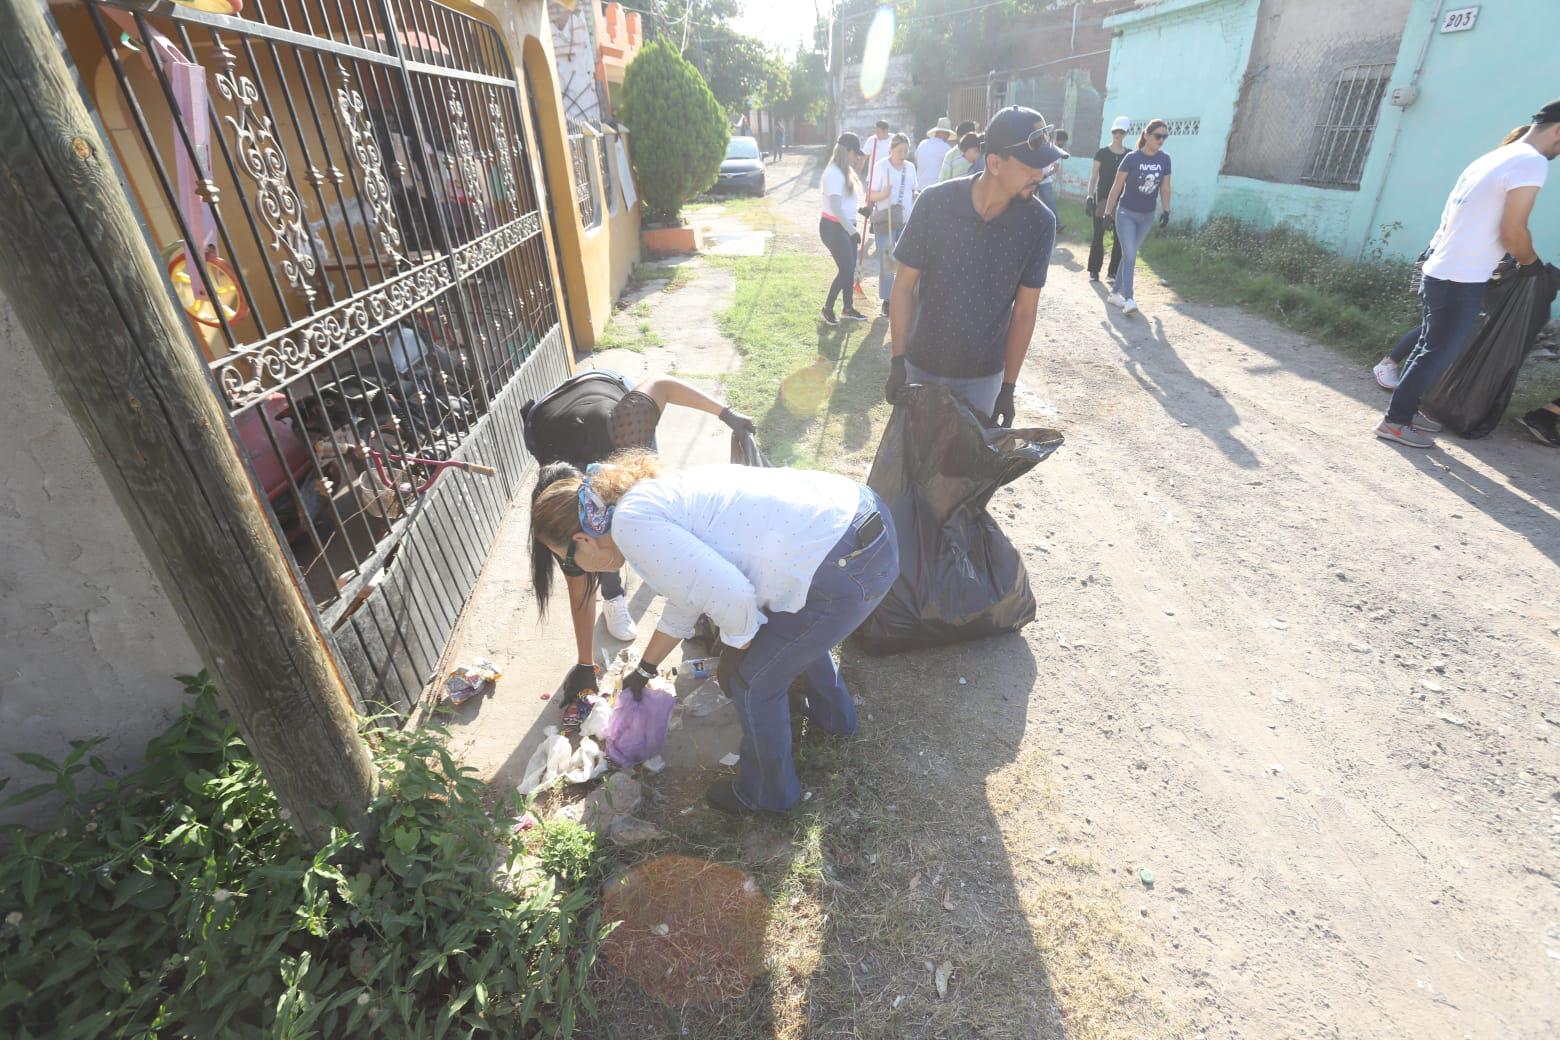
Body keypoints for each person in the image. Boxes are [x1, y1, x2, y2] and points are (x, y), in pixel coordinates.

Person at [529, 453, 899, 814]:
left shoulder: (631, 528)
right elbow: (691, 591)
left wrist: (738, 652)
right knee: (788, 635)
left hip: (848, 564)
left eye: (567, 559)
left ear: (583, 538)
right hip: (861, 519)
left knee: (752, 679)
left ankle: (767, 795)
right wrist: (645, 669)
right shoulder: (638, 502)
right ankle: (836, 721)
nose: (573, 569)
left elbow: (734, 596)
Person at [526, 374, 754, 727]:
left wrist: (726, 414)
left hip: (603, 400)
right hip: (549, 423)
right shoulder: (571, 516)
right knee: (617, 557)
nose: (578, 569)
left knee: (650, 548)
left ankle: (623, 587)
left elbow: (660, 385)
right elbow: (581, 588)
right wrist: (587, 663)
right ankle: (615, 596)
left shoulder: (627, 434)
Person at [1372, 100, 1558, 448]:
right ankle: (1395, 422)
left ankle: (1404, 410)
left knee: (1430, 347)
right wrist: (1532, 266)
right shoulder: (1531, 163)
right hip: (1460, 278)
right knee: (1438, 352)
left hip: (1441, 269)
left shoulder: (1491, 157)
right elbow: (1513, 231)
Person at [883, 105, 1062, 426]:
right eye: (1031, 166)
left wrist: (1008, 386)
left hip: (983, 381)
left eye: (1044, 165)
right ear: (994, 163)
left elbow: (1024, 312)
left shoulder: (1039, 223)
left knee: (961, 474)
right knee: (910, 468)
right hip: (921, 366)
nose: (1041, 174)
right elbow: (903, 286)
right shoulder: (935, 203)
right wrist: (898, 360)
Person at [1102, 118, 1172, 316]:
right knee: (1131, 255)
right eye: (1158, 136)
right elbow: (1116, 187)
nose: (1161, 140)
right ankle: (1129, 298)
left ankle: (1115, 293)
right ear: (1146, 135)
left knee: (1129, 255)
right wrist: (1108, 212)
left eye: (1164, 137)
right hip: (1126, 213)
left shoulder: (1165, 159)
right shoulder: (1131, 158)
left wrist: (1166, 211)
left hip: (1147, 215)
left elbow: (1165, 188)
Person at [819, 132, 869, 325]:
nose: (856, 157)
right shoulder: (833, 173)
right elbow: (836, 208)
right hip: (833, 227)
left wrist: (860, 210)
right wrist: (852, 231)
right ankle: (827, 309)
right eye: (854, 153)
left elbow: (846, 203)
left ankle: (848, 308)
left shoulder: (845, 171)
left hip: (846, 227)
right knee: (846, 270)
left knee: (848, 269)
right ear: (846, 151)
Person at [869, 132, 918, 318]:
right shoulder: (881, 167)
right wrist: (883, 194)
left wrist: (916, 195)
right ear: (891, 149)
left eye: (905, 151)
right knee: (888, 262)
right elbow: (871, 195)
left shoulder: (910, 167)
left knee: (906, 261)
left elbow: (914, 189)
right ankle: (887, 300)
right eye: (899, 151)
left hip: (906, 221)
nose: (902, 154)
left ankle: (903, 297)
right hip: (886, 221)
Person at [1086, 116, 1131, 284]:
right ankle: (1094, 271)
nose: (1117, 134)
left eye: (1121, 131)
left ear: (1126, 133)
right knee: (1098, 235)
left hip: (1122, 202)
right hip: (1102, 199)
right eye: (1115, 131)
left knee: (1119, 239)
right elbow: (1093, 177)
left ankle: (1112, 273)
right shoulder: (1102, 153)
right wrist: (1089, 197)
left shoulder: (1129, 155)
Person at [1035, 130, 1069, 230]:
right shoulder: (1038, 147)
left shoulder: (1056, 151)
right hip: (1031, 180)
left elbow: (1055, 168)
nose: (1063, 143)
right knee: (1030, 203)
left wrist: (1045, 175)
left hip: (1045, 181)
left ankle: (1056, 225)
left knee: (1050, 204)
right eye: (1063, 141)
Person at [914, 118, 955, 192]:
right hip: (935, 189)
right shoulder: (946, 148)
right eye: (947, 134)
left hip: (920, 187)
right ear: (944, 133)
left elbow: (916, 161)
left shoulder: (922, 144)